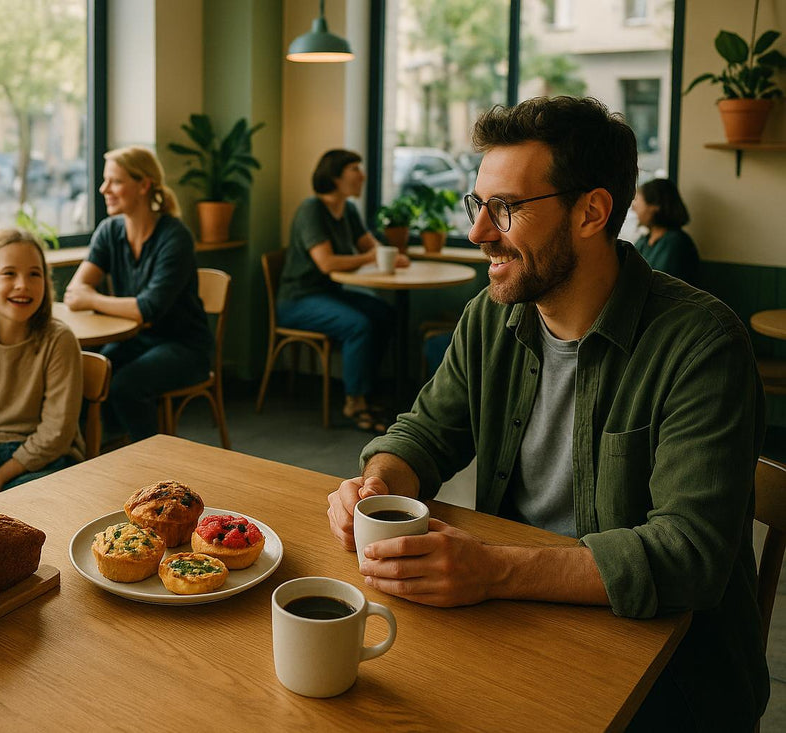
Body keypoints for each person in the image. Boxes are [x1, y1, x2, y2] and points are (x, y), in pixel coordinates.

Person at [326, 97, 767, 729]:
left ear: (591, 212)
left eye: (505, 208)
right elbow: (423, 432)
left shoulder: (701, 344)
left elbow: (690, 555)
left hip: (669, 677)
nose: (479, 233)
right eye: (478, 205)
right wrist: (377, 485)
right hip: (514, 627)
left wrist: (494, 569)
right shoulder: (490, 316)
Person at [64, 146, 212, 441]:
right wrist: (98, 299)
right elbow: (74, 291)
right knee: (88, 373)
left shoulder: (175, 237)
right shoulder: (109, 231)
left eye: (115, 181)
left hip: (185, 346)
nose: (104, 189)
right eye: (105, 180)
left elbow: (148, 309)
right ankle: (107, 448)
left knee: (125, 386)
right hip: (136, 340)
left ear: (144, 185)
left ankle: (148, 458)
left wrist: (93, 299)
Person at [0, 228, 85, 499]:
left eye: (34, 274)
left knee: (18, 503)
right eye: (9, 274)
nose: (23, 284)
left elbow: (56, 433)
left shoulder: (59, 340)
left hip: (46, 460)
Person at [276, 149, 408, 434]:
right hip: (299, 299)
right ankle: (354, 402)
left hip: (329, 294)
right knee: (358, 325)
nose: (362, 175)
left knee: (384, 313)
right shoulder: (311, 210)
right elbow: (326, 263)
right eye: (355, 169)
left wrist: (389, 255)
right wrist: (371, 258)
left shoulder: (348, 210)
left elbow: (368, 245)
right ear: (335, 177)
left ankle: (367, 390)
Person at [631, 177, 699, 284]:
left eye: (637, 201)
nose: (633, 208)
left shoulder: (676, 242)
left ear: (655, 206)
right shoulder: (644, 241)